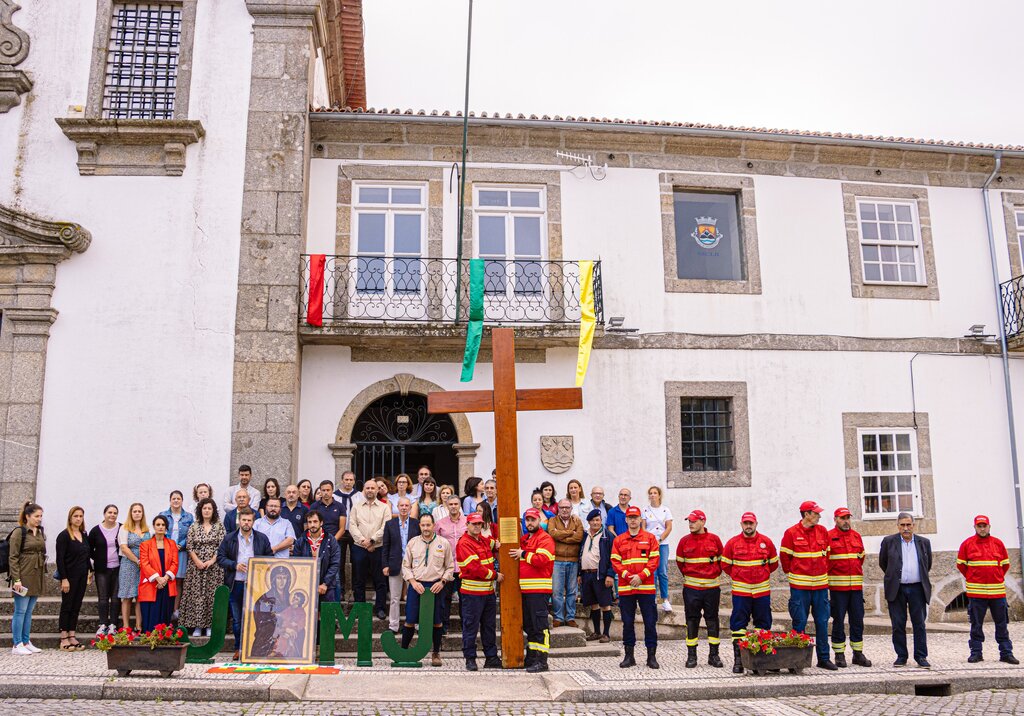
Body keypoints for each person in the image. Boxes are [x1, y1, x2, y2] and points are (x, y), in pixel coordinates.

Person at [780, 500, 836, 670]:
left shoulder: (822, 531)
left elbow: (827, 555)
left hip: (820, 587)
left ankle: (824, 658)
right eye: (816, 513)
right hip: (800, 588)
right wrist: (795, 574)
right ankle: (797, 661)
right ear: (806, 514)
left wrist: (821, 571)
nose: (819, 516)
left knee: (822, 622)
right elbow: (785, 558)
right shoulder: (791, 533)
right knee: (800, 622)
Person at [721, 511, 778, 673]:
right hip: (741, 592)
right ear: (741, 524)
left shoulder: (766, 542)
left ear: (756, 524)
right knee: (738, 626)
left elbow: (773, 564)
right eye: (745, 523)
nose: (748, 526)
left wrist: (761, 576)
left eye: (751, 523)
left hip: (761, 592)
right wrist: (739, 576)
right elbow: (725, 565)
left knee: (763, 625)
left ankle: (762, 660)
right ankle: (739, 660)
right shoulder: (733, 543)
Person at [957, 515, 1017, 664]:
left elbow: (1005, 565)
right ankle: (976, 653)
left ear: (989, 527)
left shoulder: (998, 544)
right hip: (976, 593)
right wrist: (973, 578)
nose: (982, 528)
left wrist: (995, 578)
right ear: (975, 527)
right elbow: (961, 566)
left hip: (997, 592)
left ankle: (1006, 653)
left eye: (984, 526)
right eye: (979, 526)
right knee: (976, 625)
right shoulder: (967, 544)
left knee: (1002, 624)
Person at [878, 511, 933, 668]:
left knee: (919, 624)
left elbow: (927, 564)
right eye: (902, 525)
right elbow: (884, 563)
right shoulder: (889, 542)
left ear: (913, 525)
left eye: (908, 525)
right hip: (897, 588)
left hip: (917, 588)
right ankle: (901, 656)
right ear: (898, 526)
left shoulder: (924, 542)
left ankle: (921, 656)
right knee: (898, 624)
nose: (906, 528)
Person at [217, 508, 273, 660]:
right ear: (239, 521)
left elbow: (270, 558)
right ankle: (239, 648)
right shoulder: (229, 538)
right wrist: (235, 565)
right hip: (236, 583)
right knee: (237, 619)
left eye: (249, 520)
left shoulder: (262, 538)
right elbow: (220, 558)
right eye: (244, 520)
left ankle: (256, 648)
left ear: (253, 521)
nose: (246, 523)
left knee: (258, 616)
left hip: (257, 585)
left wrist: (258, 566)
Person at [402, 512, 454, 667]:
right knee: (410, 620)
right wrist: (412, 581)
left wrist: (443, 581)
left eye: (428, 525)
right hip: (416, 587)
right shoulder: (412, 543)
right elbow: (405, 566)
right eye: (423, 525)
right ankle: (403, 652)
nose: (425, 528)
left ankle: (436, 653)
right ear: (419, 526)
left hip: (435, 588)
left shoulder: (443, 543)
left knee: (436, 622)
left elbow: (450, 567)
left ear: (434, 525)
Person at [611, 506, 659, 669]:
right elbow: (615, 562)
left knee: (650, 622)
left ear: (640, 519)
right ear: (626, 519)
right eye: (630, 517)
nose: (632, 520)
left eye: (635, 517)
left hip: (646, 587)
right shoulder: (619, 540)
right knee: (627, 622)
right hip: (626, 588)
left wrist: (641, 576)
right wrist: (627, 576)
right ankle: (629, 656)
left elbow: (654, 560)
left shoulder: (650, 538)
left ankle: (651, 657)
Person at [675, 509, 724, 668]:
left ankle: (714, 655)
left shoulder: (714, 540)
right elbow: (680, 563)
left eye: (694, 521)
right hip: (691, 589)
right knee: (692, 621)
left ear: (703, 522)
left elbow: (721, 562)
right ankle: (692, 656)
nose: (691, 524)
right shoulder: (684, 541)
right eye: (689, 521)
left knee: (712, 620)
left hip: (711, 588)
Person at [457, 512, 503, 671]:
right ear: (467, 525)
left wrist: (497, 543)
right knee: (470, 626)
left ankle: (491, 657)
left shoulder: (482, 540)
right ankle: (470, 659)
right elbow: (474, 568)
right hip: (472, 593)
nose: (477, 526)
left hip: (488, 593)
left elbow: (494, 542)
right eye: (474, 524)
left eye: (479, 524)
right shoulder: (464, 543)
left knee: (489, 626)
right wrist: (495, 575)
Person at [512, 507, 555, 672]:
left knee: (540, 626)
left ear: (539, 521)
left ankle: (542, 661)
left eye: (533, 520)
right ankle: (532, 657)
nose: (530, 523)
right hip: (526, 590)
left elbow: (541, 560)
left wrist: (523, 554)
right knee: (530, 626)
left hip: (539, 590)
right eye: (527, 520)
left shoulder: (545, 539)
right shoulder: (525, 539)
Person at [828, 506, 872, 667]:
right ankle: (839, 654)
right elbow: (826, 561)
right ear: (835, 520)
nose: (846, 521)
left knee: (857, 621)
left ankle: (858, 654)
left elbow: (860, 558)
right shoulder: (829, 537)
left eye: (847, 518)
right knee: (838, 621)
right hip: (838, 589)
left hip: (855, 589)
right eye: (842, 518)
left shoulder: (856, 536)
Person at [180, 498, 225, 637]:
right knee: (197, 595)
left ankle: (210, 625)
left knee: (211, 596)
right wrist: (198, 561)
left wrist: (211, 560)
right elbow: (189, 546)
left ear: (213, 511)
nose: (206, 511)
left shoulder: (219, 526)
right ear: (200, 510)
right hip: (196, 568)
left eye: (209, 508)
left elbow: (222, 545)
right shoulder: (194, 526)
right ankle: (198, 626)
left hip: (214, 568)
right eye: (204, 508)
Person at [348, 478, 390, 620]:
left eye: (373, 488)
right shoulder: (356, 507)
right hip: (360, 547)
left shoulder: (385, 508)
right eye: (367, 488)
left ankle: (380, 609)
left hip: (378, 547)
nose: (370, 490)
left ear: (377, 490)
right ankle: (360, 609)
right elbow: (352, 525)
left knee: (380, 580)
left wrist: (372, 540)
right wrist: (363, 541)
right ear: (363, 490)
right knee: (359, 580)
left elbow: (386, 526)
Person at [9, 502, 45, 656]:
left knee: (29, 611)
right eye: (36, 516)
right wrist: (16, 579)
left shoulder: (40, 531)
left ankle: (25, 641)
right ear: (27, 516)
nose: (39, 519)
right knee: (20, 610)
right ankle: (16, 644)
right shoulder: (19, 532)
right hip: (23, 575)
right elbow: (13, 557)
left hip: (36, 574)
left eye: (41, 516)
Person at [56, 506, 92, 651]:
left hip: (82, 576)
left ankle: (72, 634)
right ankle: (63, 637)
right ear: (70, 518)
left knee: (76, 606)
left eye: (81, 516)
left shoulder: (84, 535)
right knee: (67, 606)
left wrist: (91, 570)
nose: (78, 518)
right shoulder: (64, 535)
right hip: (69, 577)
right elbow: (60, 559)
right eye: (75, 516)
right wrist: (64, 578)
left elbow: (86, 555)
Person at [383, 497, 420, 633]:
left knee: (414, 596)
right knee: (394, 598)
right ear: (397, 507)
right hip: (394, 564)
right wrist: (385, 565)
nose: (404, 508)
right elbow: (385, 546)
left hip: (413, 566)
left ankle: (415, 624)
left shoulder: (417, 524)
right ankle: (393, 626)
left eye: (407, 505)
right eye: (401, 505)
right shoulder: (390, 524)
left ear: (410, 508)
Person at [138, 514, 180, 631]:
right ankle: (150, 640)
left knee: (165, 615)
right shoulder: (145, 545)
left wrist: (165, 579)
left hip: (167, 585)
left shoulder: (172, 544)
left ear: (166, 527)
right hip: (152, 585)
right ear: (154, 526)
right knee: (151, 616)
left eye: (163, 525)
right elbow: (144, 564)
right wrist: (158, 579)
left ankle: (164, 641)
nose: (160, 527)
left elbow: (175, 563)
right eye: (158, 525)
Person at [294, 509, 342, 608]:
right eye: (309, 522)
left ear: (321, 522)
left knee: (326, 618)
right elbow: (297, 564)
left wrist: (325, 583)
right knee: (309, 618)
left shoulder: (331, 540)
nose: (312, 525)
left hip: (327, 585)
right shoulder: (301, 541)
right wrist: (305, 584)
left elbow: (335, 563)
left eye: (315, 521)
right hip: (306, 585)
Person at [579, 509, 614, 643]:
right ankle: (597, 632)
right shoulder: (585, 535)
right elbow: (580, 554)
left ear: (601, 521)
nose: (595, 522)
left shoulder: (607, 536)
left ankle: (606, 634)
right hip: (587, 574)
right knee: (593, 604)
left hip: (601, 575)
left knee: (605, 604)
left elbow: (613, 557)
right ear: (589, 522)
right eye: (592, 520)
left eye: (597, 520)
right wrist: (579, 573)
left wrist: (610, 575)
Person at [548, 498, 584, 628]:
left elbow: (579, 537)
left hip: (573, 561)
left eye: (567, 507)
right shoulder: (552, 520)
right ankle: (558, 617)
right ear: (558, 508)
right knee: (557, 591)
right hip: (557, 561)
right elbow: (552, 534)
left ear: (571, 508)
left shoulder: (577, 521)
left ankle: (570, 617)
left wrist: (562, 536)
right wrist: (570, 533)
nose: (564, 510)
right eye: (562, 507)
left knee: (571, 591)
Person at [159, 490, 194, 619]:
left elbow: (191, 534)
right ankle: (165, 608)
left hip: (181, 552)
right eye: (173, 498)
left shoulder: (189, 517)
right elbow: (160, 531)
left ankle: (176, 609)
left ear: (182, 500)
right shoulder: (163, 515)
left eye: (178, 498)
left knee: (178, 581)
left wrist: (182, 544)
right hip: (167, 552)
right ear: (170, 500)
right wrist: (170, 545)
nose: (176, 501)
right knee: (166, 579)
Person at [88, 504, 121, 636]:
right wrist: (98, 559)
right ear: (104, 514)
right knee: (103, 597)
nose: (112, 515)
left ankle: (113, 624)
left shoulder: (122, 527)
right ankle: (103, 624)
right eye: (109, 512)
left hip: (118, 568)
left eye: (115, 513)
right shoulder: (96, 530)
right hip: (102, 569)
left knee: (115, 597)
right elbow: (89, 549)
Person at [436, 494, 468, 630]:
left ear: (460, 506)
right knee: (445, 598)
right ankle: (445, 626)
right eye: (451, 504)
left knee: (465, 597)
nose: (454, 506)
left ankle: (465, 624)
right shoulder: (440, 523)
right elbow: (435, 542)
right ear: (447, 506)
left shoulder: (467, 522)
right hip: (447, 566)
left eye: (456, 504)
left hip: (464, 566)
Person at [117, 502, 150, 631]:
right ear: (131, 513)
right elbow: (124, 548)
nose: (137, 513)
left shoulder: (147, 529)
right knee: (127, 596)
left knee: (140, 596)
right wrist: (137, 560)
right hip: (129, 564)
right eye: (134, 511)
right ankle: (126, 626)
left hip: (144, 566)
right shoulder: (124, 528)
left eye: (139, 511)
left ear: (142, 513)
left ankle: (138, 625)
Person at [643, 486, 674, 612]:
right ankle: (653, 598)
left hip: (662, 544)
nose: (652, 495)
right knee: (652, 571)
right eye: (650, 493)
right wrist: (650, 540)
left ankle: (665, 599)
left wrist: (659, 539)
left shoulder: (666, 510)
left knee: (662, 571)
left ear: (659, 495)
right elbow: (643, 527)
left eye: (655, 493)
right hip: (649, 544)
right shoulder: (645, 510)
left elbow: (669, 527)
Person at [251, 565, 293, 657]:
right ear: (273, 580)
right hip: (271, 632)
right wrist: (283, 629)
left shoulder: (292, 598)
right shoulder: (265, 598)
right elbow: (263, 620)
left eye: (284, 578)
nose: (282, 582)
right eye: (279, 578)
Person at [332, 471, 358, 600]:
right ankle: (341, 590)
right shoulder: (334, 496)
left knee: (356, 562)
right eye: (346, 479)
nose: (348, 482)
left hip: (355, 533)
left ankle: (353, 590)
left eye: (351, 480)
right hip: (339, 532)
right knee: (339, 562)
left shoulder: (359, 496)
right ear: (342, 480)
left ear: (354, 481)